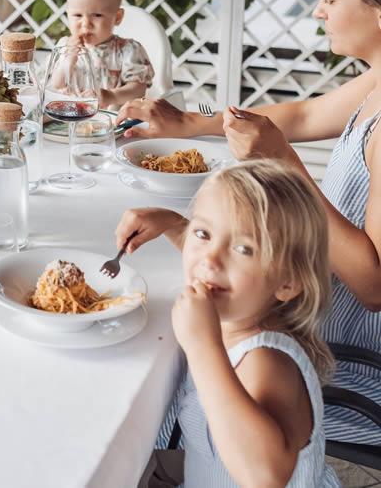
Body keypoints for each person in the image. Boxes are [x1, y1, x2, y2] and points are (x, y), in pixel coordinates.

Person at [117, 0, 381, 445]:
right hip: (310, 299)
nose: (318, 10)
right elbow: (303, 117)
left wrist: (284, 162)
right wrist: (193, 122)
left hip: (341, 348)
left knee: (154, 350)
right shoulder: (376, 79)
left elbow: (375, 286)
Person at [120, 161, 338, 487]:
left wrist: (201, 346)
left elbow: (264, 476)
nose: (210, 259)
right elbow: (210, 258)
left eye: (242, 248)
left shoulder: (266, 360)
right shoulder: (238, 314)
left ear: (288, 282)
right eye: (203, 233)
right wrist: (170, 223)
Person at [57, 0, 154, 109]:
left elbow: (139, 89)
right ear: (68, 15)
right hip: (71, 116)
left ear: (117, 17)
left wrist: (112, 96)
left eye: (97, 15)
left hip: (114, 121)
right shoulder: (65, 46)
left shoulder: (127, 51)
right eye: (77, 15)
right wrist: (68, 60)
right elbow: (56, 84)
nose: (86, 23)